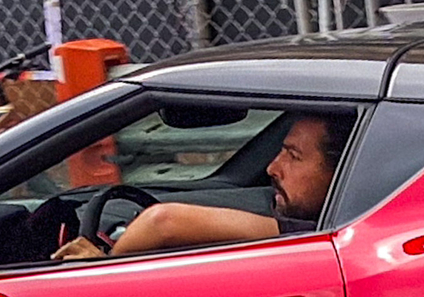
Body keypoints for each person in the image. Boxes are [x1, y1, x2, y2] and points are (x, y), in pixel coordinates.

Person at [54, 110, 346, 261]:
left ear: (342, 169)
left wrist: (102, 265)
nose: (272, 168)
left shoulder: (327, 236)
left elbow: (163, 222)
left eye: (293, 156)